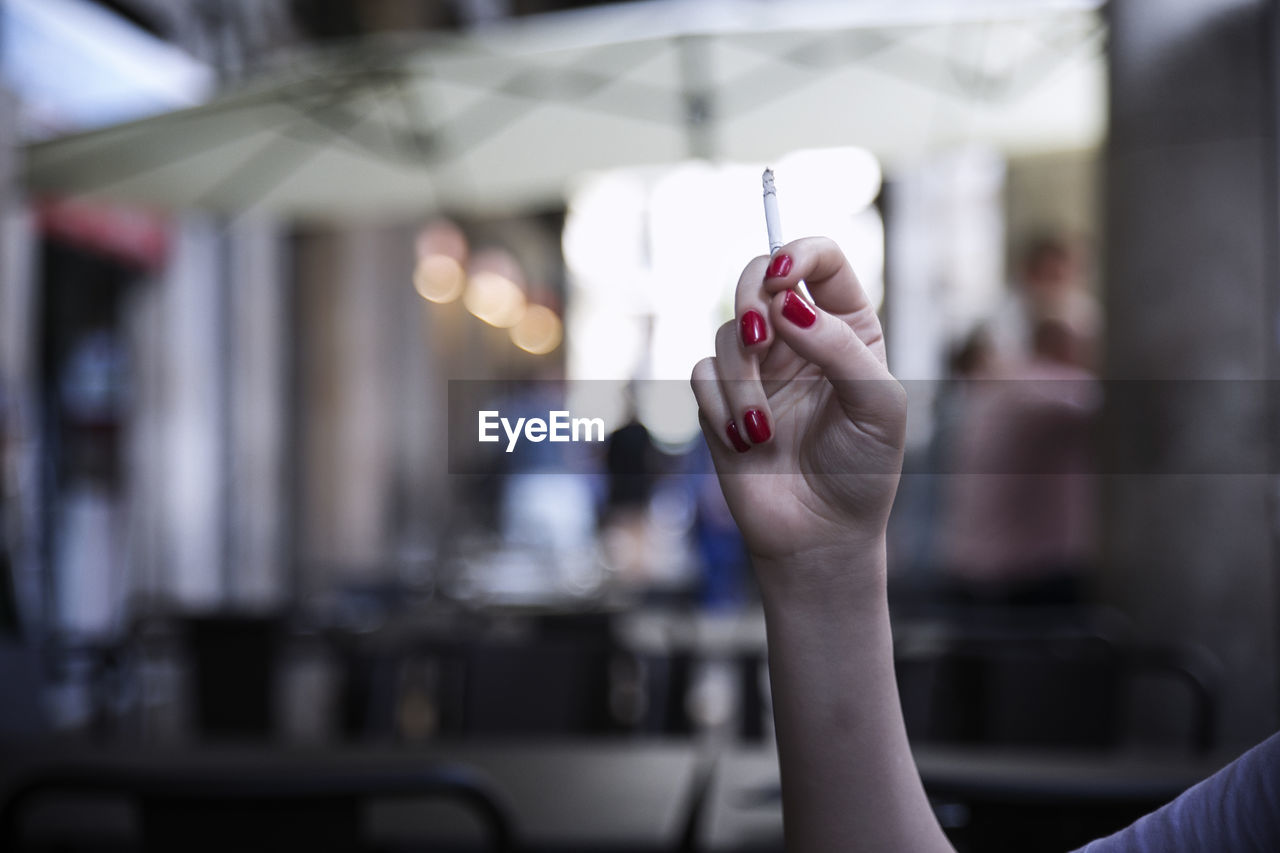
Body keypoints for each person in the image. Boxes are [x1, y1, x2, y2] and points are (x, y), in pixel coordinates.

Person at [690, 237, 1280, 852]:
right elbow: (1130, 409)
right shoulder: (1040, 389)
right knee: (1038, 765)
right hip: (1028, 592)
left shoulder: (996, 392)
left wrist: (824, 559)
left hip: (977, 581)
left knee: (994, 753)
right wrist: (822, 561)